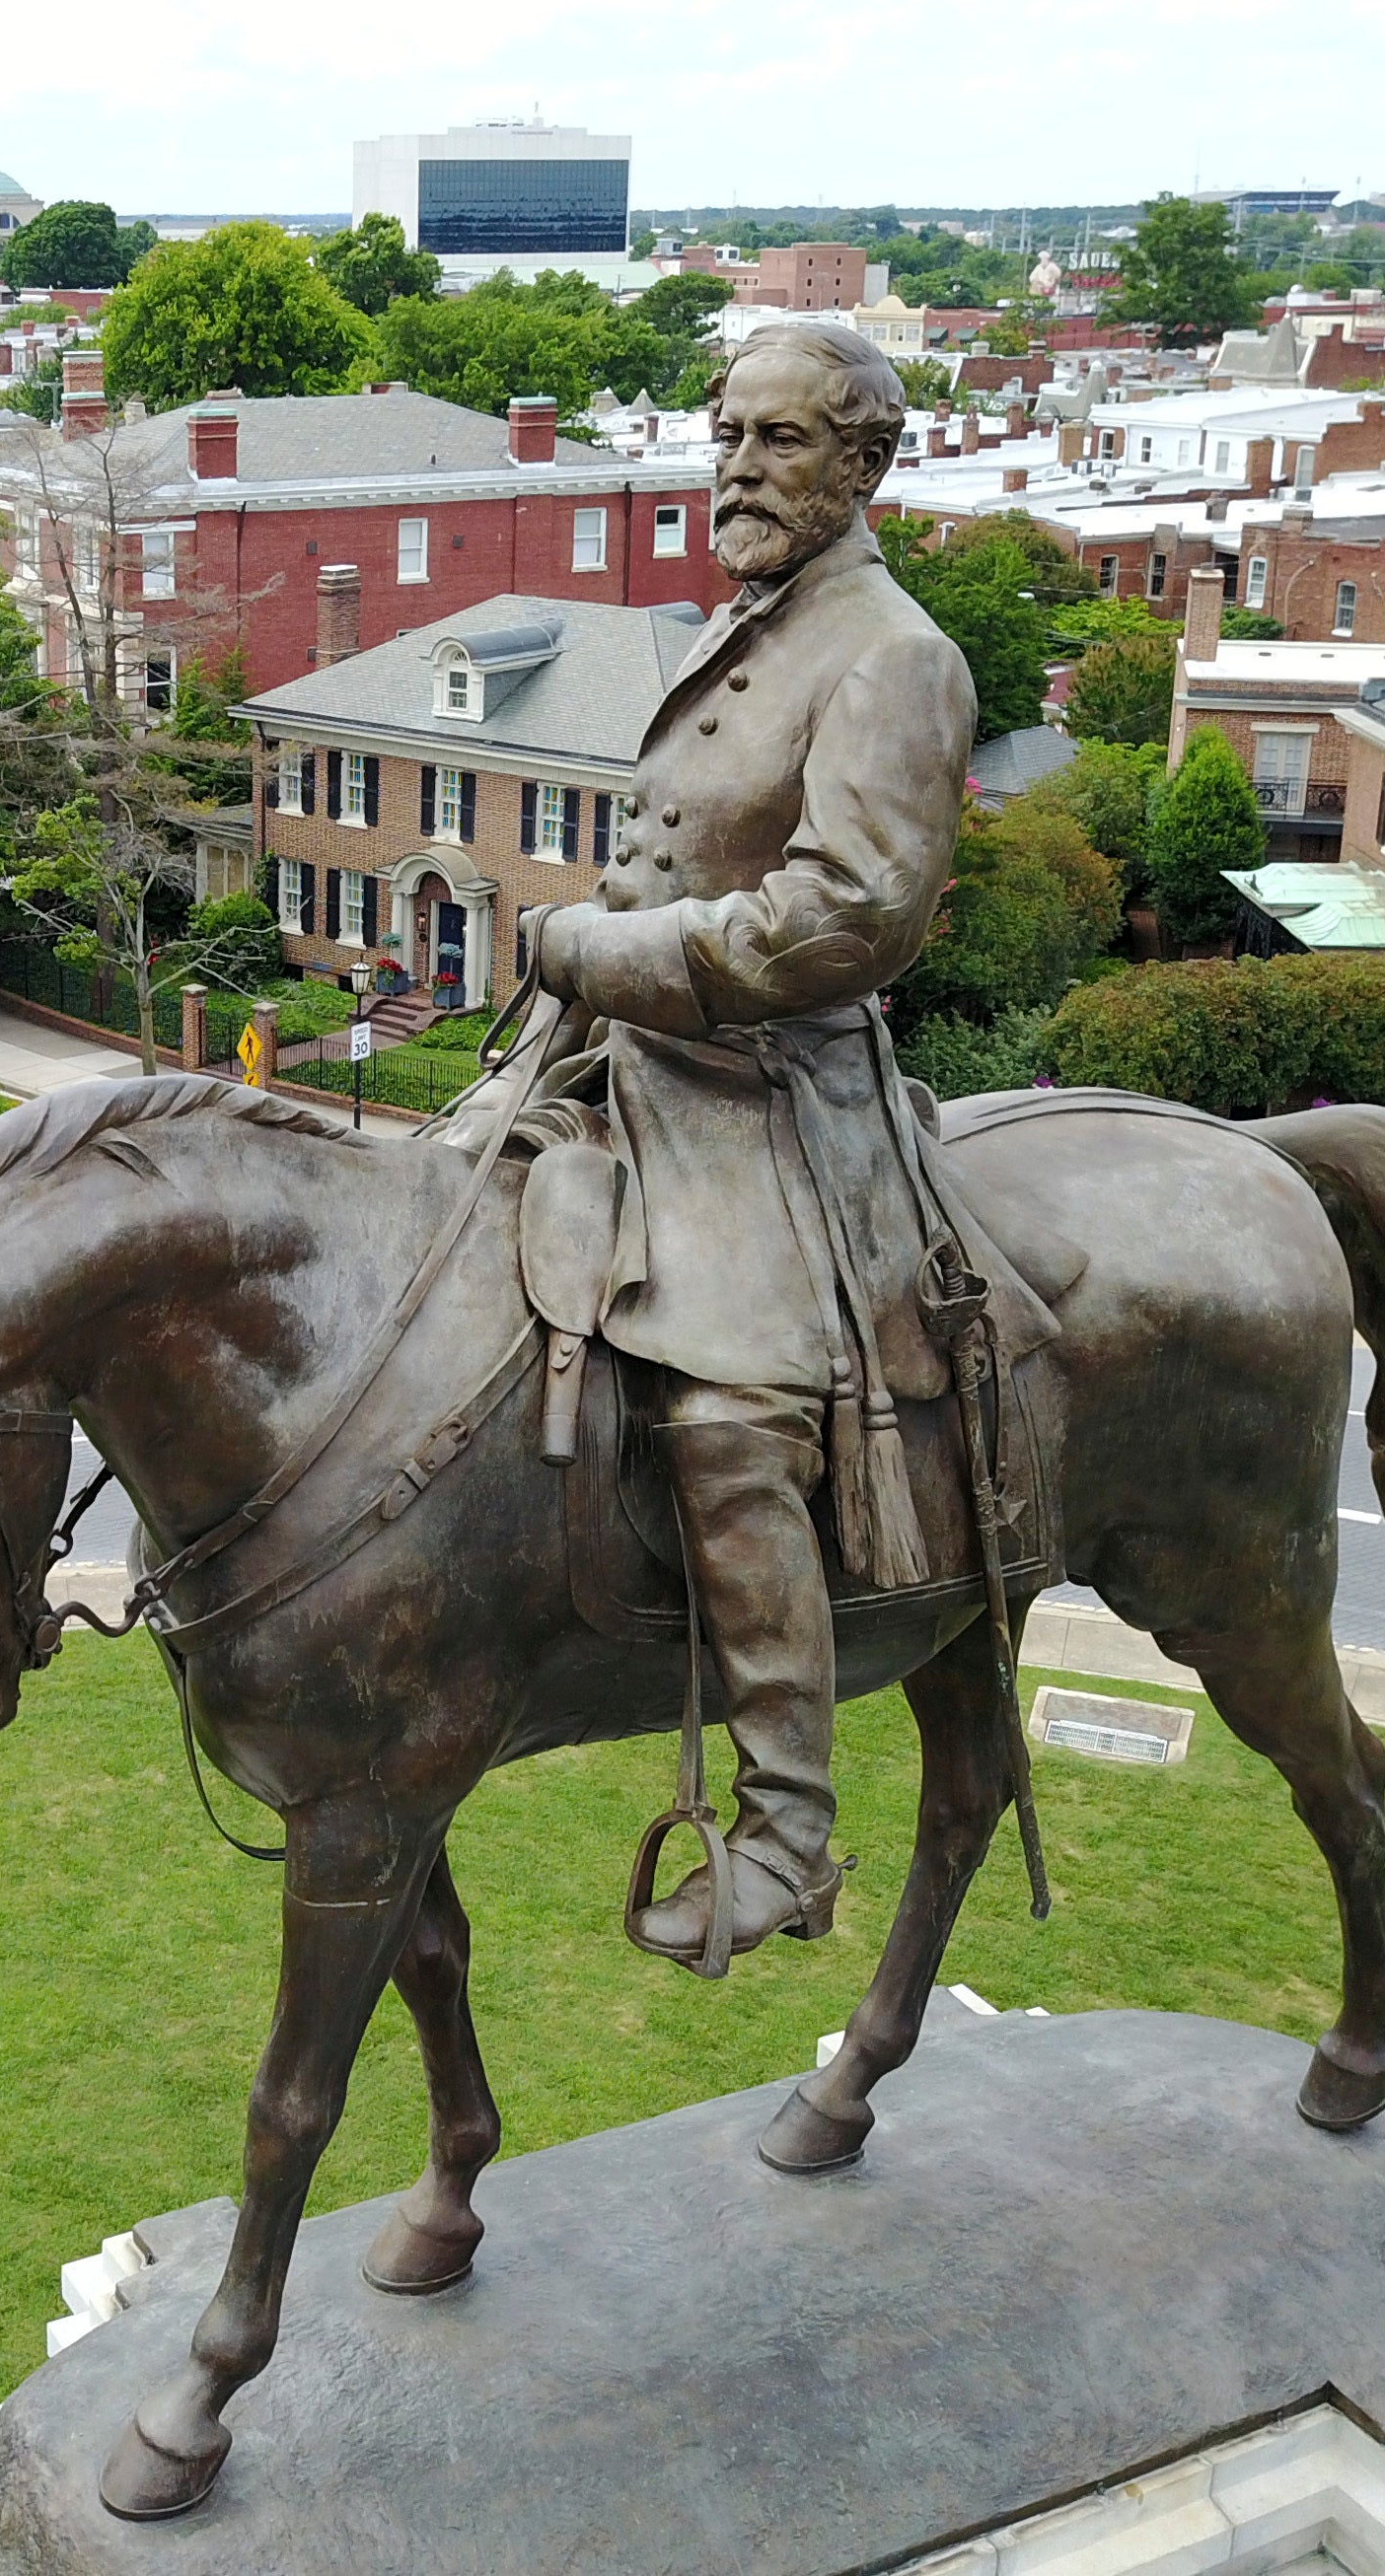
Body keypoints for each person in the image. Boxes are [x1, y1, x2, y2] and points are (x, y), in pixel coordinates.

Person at [521, 321, 977, 1970]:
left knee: (725, 1421)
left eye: (778, 442)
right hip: (615, 1052)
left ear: (861, 467)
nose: (734, 471)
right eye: (725, 437)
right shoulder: (756, 624)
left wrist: (601, 952)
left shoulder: (890, 653)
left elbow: (850, 913)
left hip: (767, 1094)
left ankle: (785, 1829)